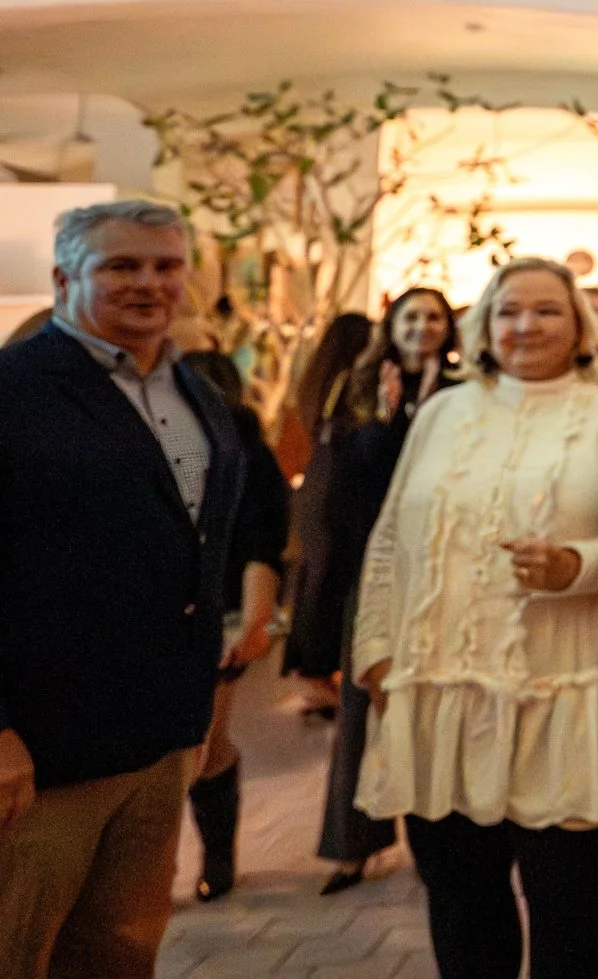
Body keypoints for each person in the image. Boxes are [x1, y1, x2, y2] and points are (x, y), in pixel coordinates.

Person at [352, 258, 598, 979]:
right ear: (484, 325)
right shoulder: (441, 413)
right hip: (437, 690)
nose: (526, 325)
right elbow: (390, 536)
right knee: (461, 903)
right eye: (509, 310)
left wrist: (577, 565)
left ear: (580, 327)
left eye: (547, 310)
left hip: (559, 690)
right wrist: (374, 650)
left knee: (571, 909)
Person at [0, 200, 251, 978]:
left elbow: (200, 550)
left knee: (119, 952)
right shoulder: (14, 390)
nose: (148, 282)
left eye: (165, 265)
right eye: (121, 265)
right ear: (64, 278)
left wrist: (197, 708)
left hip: (159, 742)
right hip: (42, 751)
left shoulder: (192, 391)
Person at [307, 286, 461, 896]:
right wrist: (393, 417)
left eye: (434, 317)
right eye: (411, 317)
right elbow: (346, 479)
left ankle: (436, 839)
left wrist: (426, 409)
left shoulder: (464, 390)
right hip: (373, 568)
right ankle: (352, 847)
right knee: (360, 706)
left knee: (435, 704)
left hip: (444, 569)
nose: (422, 326)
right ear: (392, 326)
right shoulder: (361, 388)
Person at [174, 350, 290, 903]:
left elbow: (264, 541)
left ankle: (215, 857)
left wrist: (256, 620)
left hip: (219, 615)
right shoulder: (151, 446)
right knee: (167, 750)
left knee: (203, 739)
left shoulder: (246, 454)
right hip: (155, 616)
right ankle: (152, 870)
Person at [278, 310, 380, 703]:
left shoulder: (317, 378)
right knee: (330, 577)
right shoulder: (349, 383)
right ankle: (318, 673)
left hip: (318, 483)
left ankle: (313, 671)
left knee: (315, 575)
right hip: (338, 488)